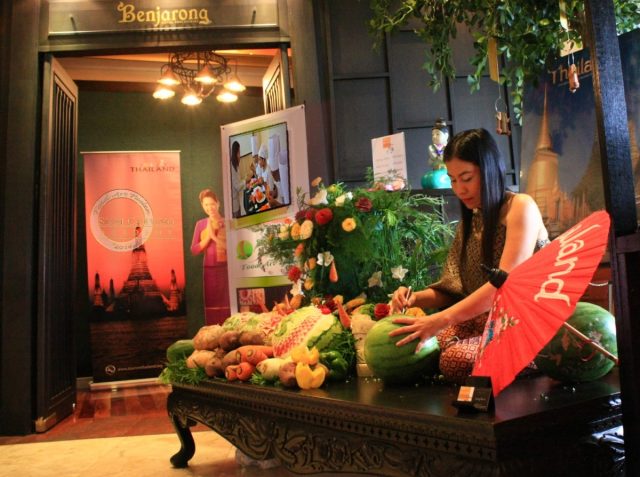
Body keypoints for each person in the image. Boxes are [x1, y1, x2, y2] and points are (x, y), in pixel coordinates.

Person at [390, 128, 549, 383]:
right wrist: (413, 298)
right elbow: (452, 289)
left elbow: (504, 286)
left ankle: (537, 361)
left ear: (489, 170)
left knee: (453, 360)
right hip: (482, 321)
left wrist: (440, 319)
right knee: (419, 348)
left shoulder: (521, 207)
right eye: (453, 180)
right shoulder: (471, 220)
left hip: (522, 324)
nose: (459, 189)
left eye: (466, 178)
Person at [190, 189, 231, 325]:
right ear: (202, 206)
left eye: (212, 204)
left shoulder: (228, 222)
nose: (209, 208)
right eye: (206, 205)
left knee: (226, 304)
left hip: (226, 269)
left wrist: (215, 238)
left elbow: (233, 248)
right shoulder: (201, 224)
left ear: (218, 203)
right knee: (212, 305)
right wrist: (208, 237)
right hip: (209, 270)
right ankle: (213, 334)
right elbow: (194, 249)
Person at [230, 141, 245, 218]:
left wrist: (245, 181)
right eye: (238, 152)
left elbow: (238, 181)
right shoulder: (232, 167)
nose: (240, 155)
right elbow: (237, 186)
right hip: (234, 202)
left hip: (237, 200)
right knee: (237, 218)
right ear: (235, 153)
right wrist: (246, 181)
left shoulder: (236, 165)